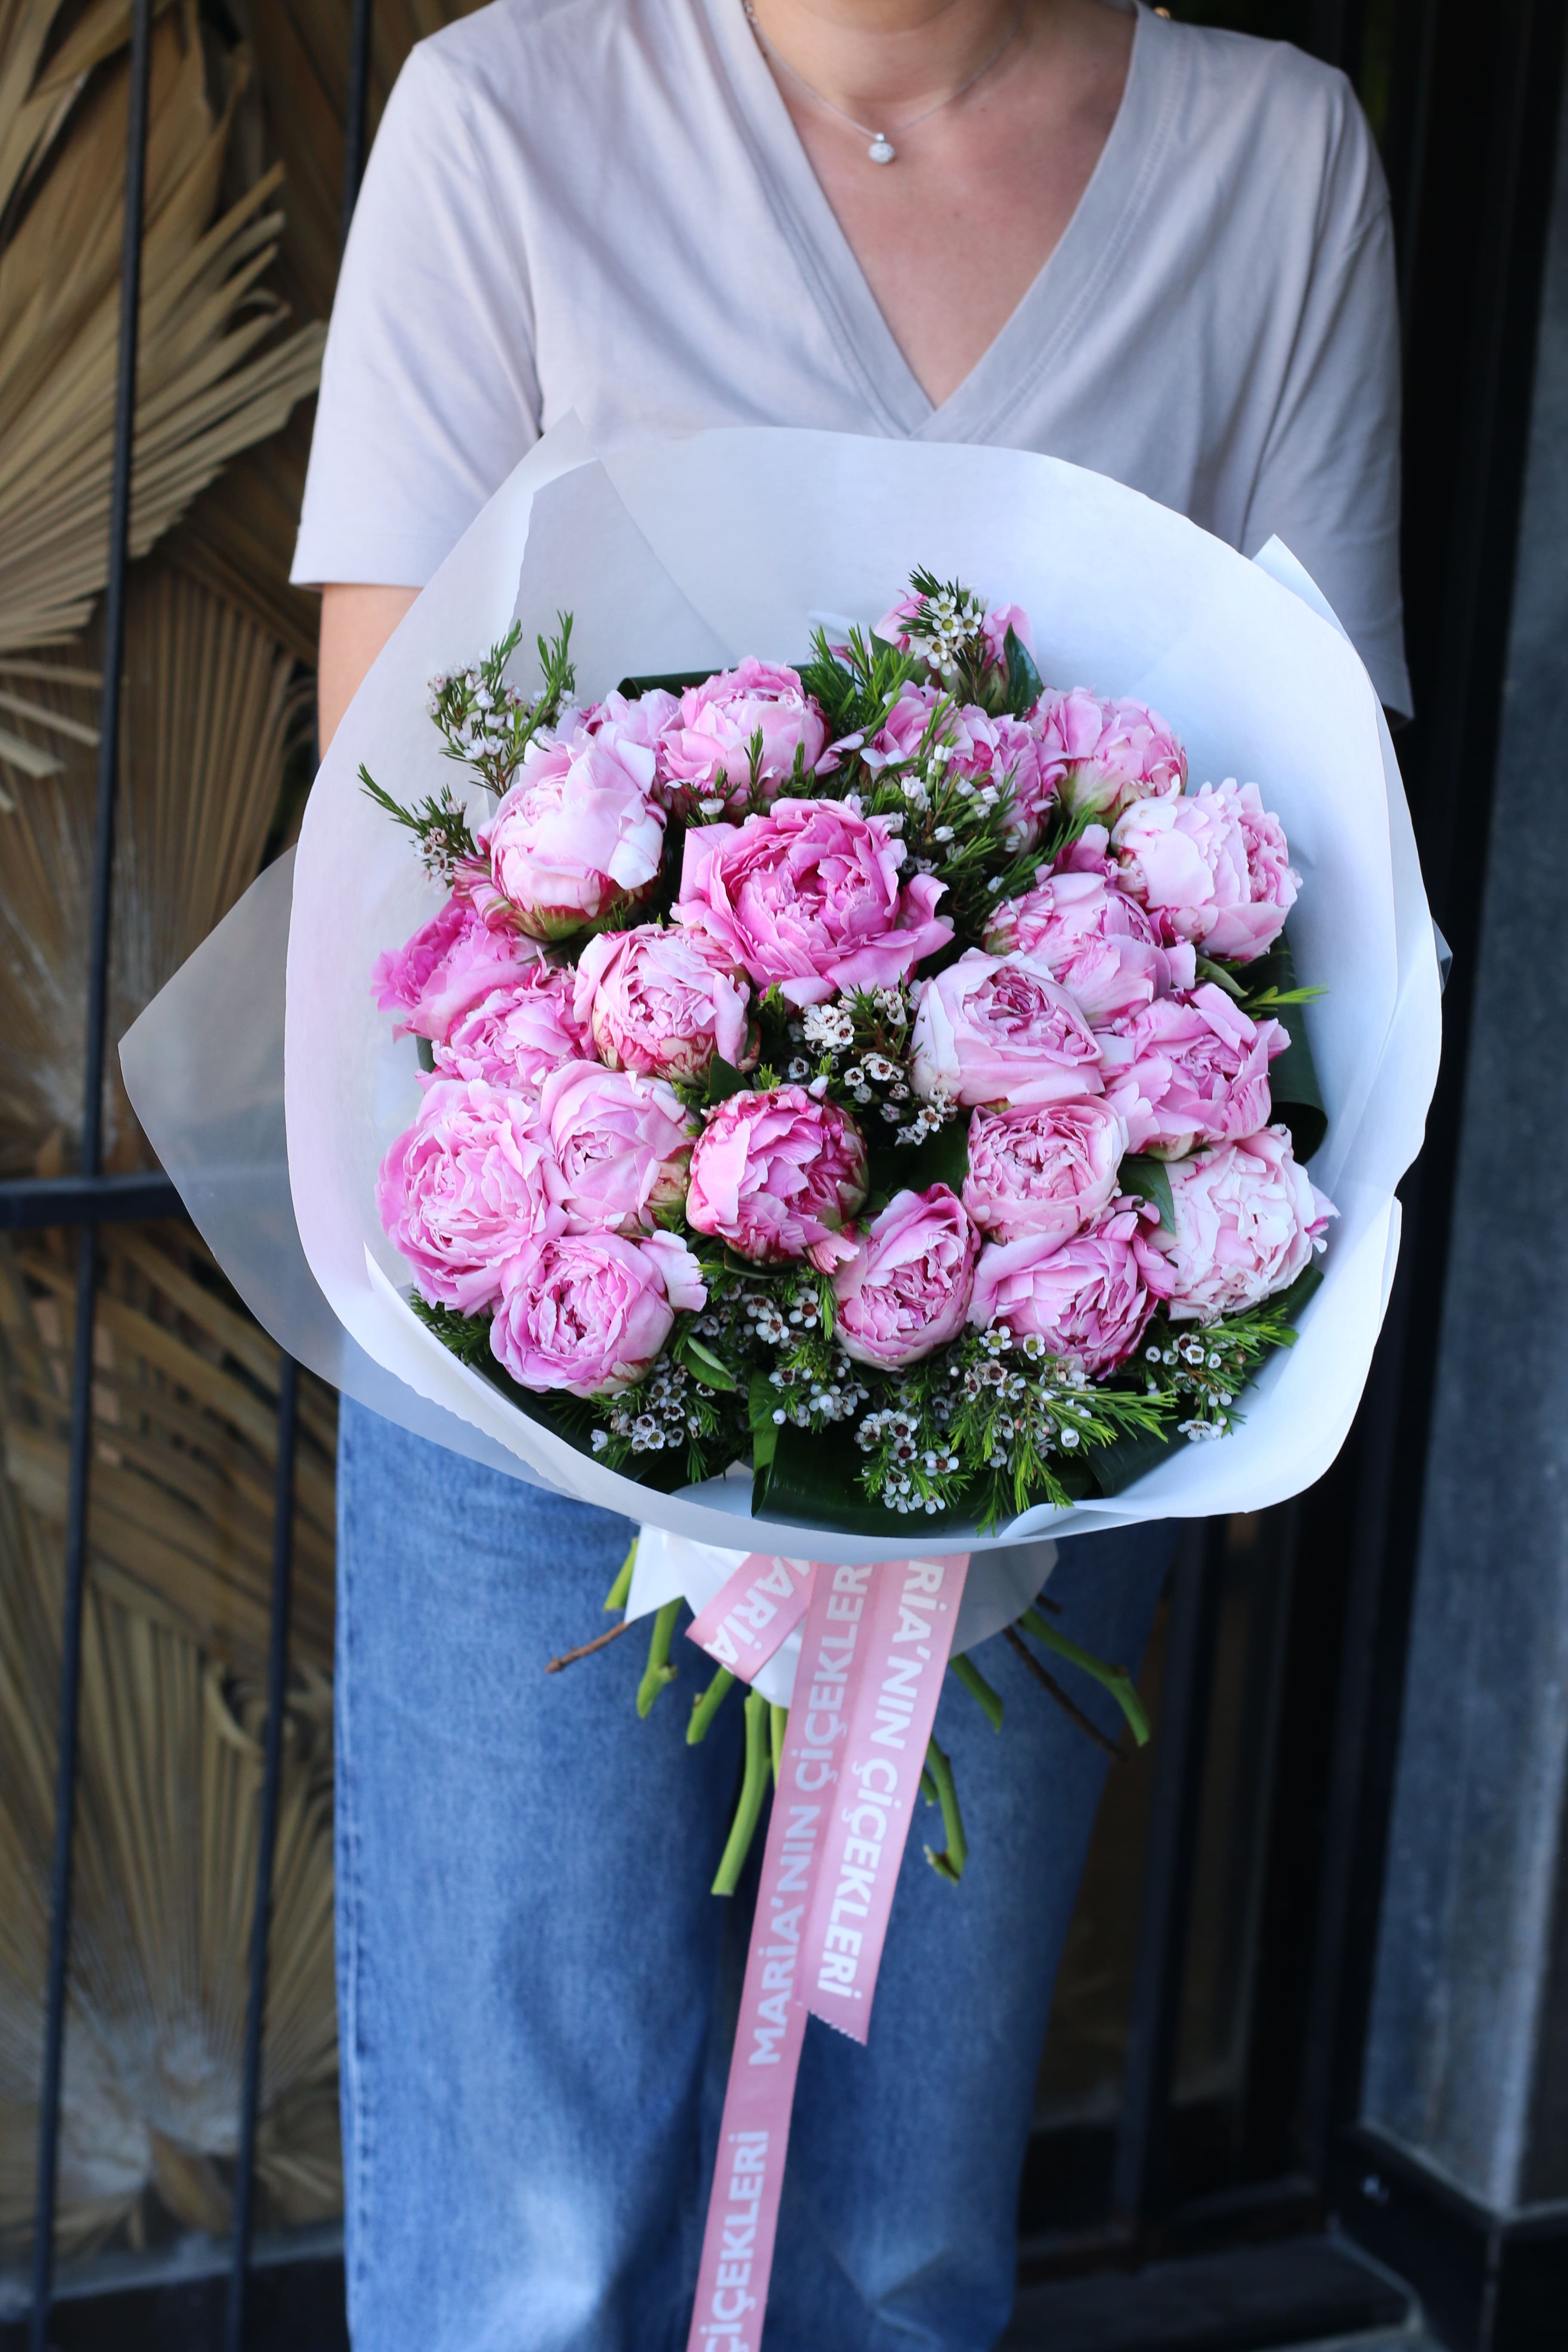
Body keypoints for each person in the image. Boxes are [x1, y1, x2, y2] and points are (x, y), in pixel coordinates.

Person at [292, 2, 1407, 2345]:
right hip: (546, 1374)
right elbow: (399, 852)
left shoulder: (1278, 164)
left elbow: (1315, 867)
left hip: (1028, 1381)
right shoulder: (510, 116)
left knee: (897, 2251)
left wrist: (1038, 1222)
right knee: (529, 2257)